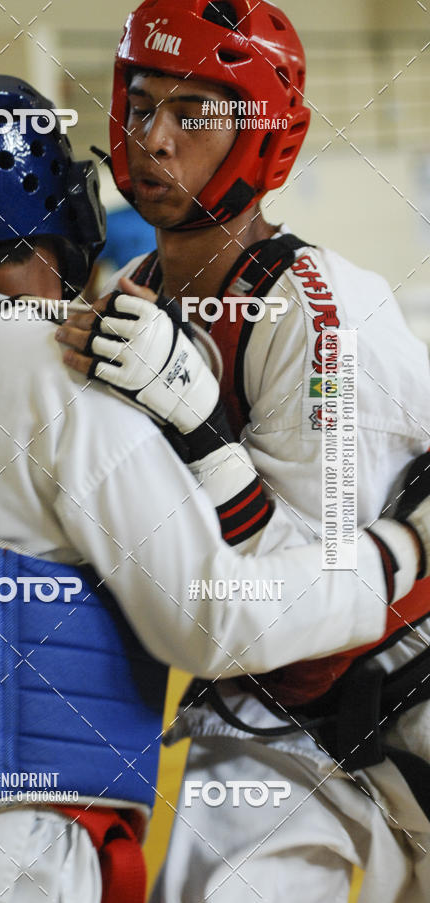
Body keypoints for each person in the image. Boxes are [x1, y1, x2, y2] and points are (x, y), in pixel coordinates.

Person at [54, 1, 430, 900]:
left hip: (397, 682)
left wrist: (201, 434)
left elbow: (308, 601)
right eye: (142, 105)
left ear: (261, 142)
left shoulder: (316, 307)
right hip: (270, 708)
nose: (153, 140)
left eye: (194, 117)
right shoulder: (132, 296)